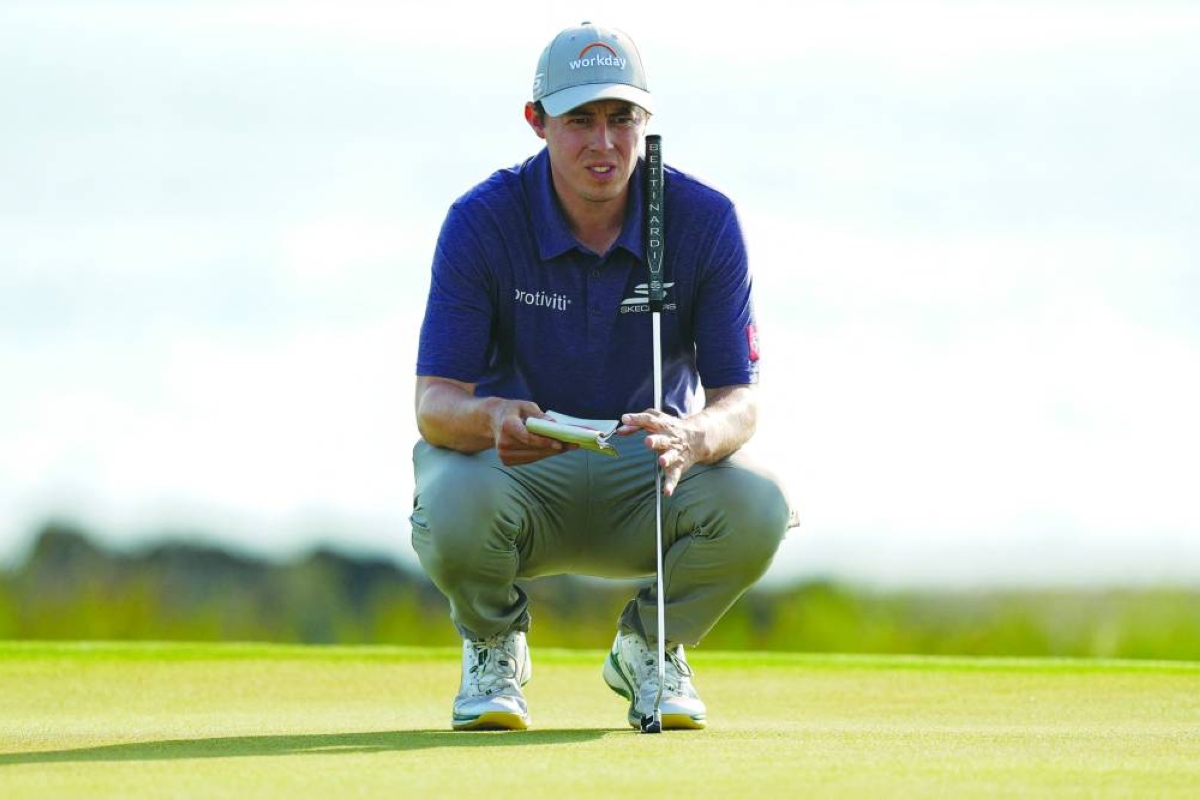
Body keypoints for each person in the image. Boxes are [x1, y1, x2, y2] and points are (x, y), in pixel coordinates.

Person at [411, 21, 796, 732]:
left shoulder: (703, 220)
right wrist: (494, 419)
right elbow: (434, 406)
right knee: (448, 495)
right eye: (580, 120)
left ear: (645, 122)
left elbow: (740, 400)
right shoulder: (482, 220)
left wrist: (695, 436)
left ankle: (649, 647)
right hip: (521, 465)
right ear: (537, 122)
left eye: (622, 119)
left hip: (651, 469)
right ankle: (494, 644)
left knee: (760, 504)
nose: (604, 143)